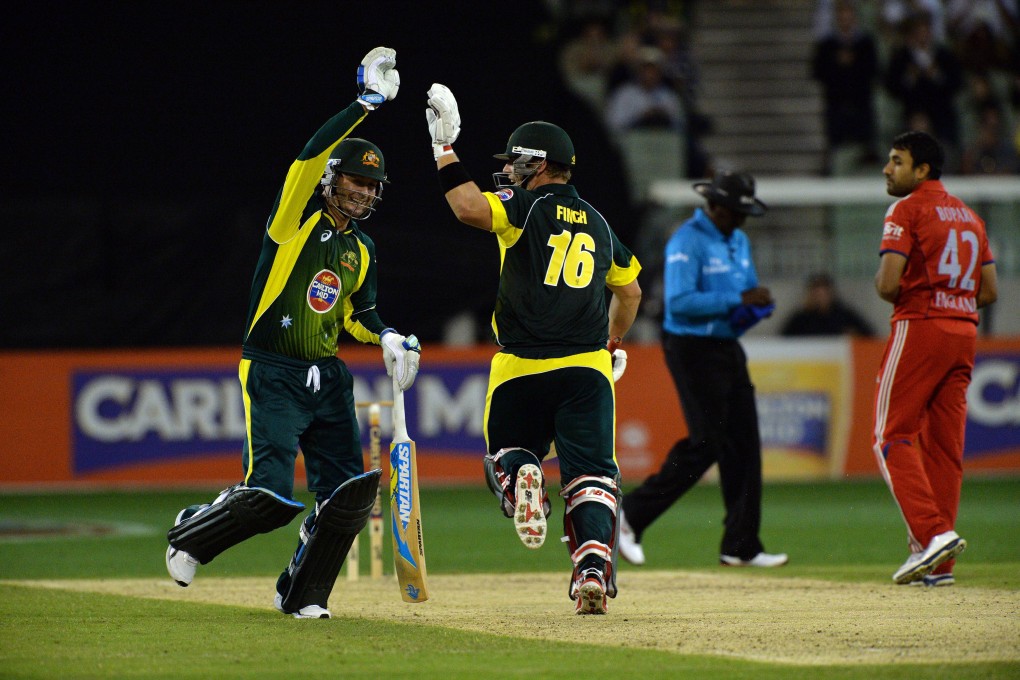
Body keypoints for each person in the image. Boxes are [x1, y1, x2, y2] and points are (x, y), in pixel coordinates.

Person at [164, 47, 421, 619]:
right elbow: (305, 159)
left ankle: (303, 592)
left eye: (372, 185)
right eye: (354, 179)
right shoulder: (293, 224)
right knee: (271, 497)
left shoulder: (362, 248)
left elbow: (358, 311)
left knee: (347, 498)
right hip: (273, 369)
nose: (362, 190)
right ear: (333, 179)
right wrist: (365, 104)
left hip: (328, 378)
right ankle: (191, 535)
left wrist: (387, 338)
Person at [424, 83, 642, 614]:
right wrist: (613, 341)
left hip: (521, 365)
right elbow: (630, 290)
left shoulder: (523, 206)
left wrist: (444, 149)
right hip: (587, 368)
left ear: (538, 163)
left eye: (516, 161)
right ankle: (591, 566)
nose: (511, 170)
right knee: (592, 475)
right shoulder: (599, 220)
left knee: (507, 454)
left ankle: (523, 472)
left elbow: (468, 208)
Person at [617, 171, 788, 570]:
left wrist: (752, 309)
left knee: (744, 442)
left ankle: (741, 545)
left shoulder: (738, 240)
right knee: (707, 442)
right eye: (735, 213)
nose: (741, 221)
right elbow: (680, 303)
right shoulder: (687, 240)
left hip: (727, 345)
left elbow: (738, 299)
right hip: (690, 347)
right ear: (715, 207)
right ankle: (630, 517)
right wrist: (738, 298)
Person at [873, 130, 998, 587]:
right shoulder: (970, 216)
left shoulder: (905, 210)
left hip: (920, 326)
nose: (887, 169)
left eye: (897, 161)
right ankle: (940, 567)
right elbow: (989, 291)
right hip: (964, 332)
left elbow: (888, 285)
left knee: (890, 436)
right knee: (945, 451)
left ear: (922, 170)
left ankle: (932, 536)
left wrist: (925, 297)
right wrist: (951, 300)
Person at [811, 0, 880, 175]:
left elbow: (874, 71)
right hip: (836, 104)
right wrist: (837, 63)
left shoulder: (866, 43)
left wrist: (853, 63)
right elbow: (817, 72)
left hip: (861, 104)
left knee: (866, 149)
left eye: (848, 17)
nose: (845, 21)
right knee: (834, 147)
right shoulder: (827, 45)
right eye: (842, 17)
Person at [781, 272, 875, 337]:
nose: (821, 297)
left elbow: (869, 335)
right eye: (817, 294)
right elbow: (784, 340)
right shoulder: (801, 319)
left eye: (824, 293)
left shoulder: (845, 316)